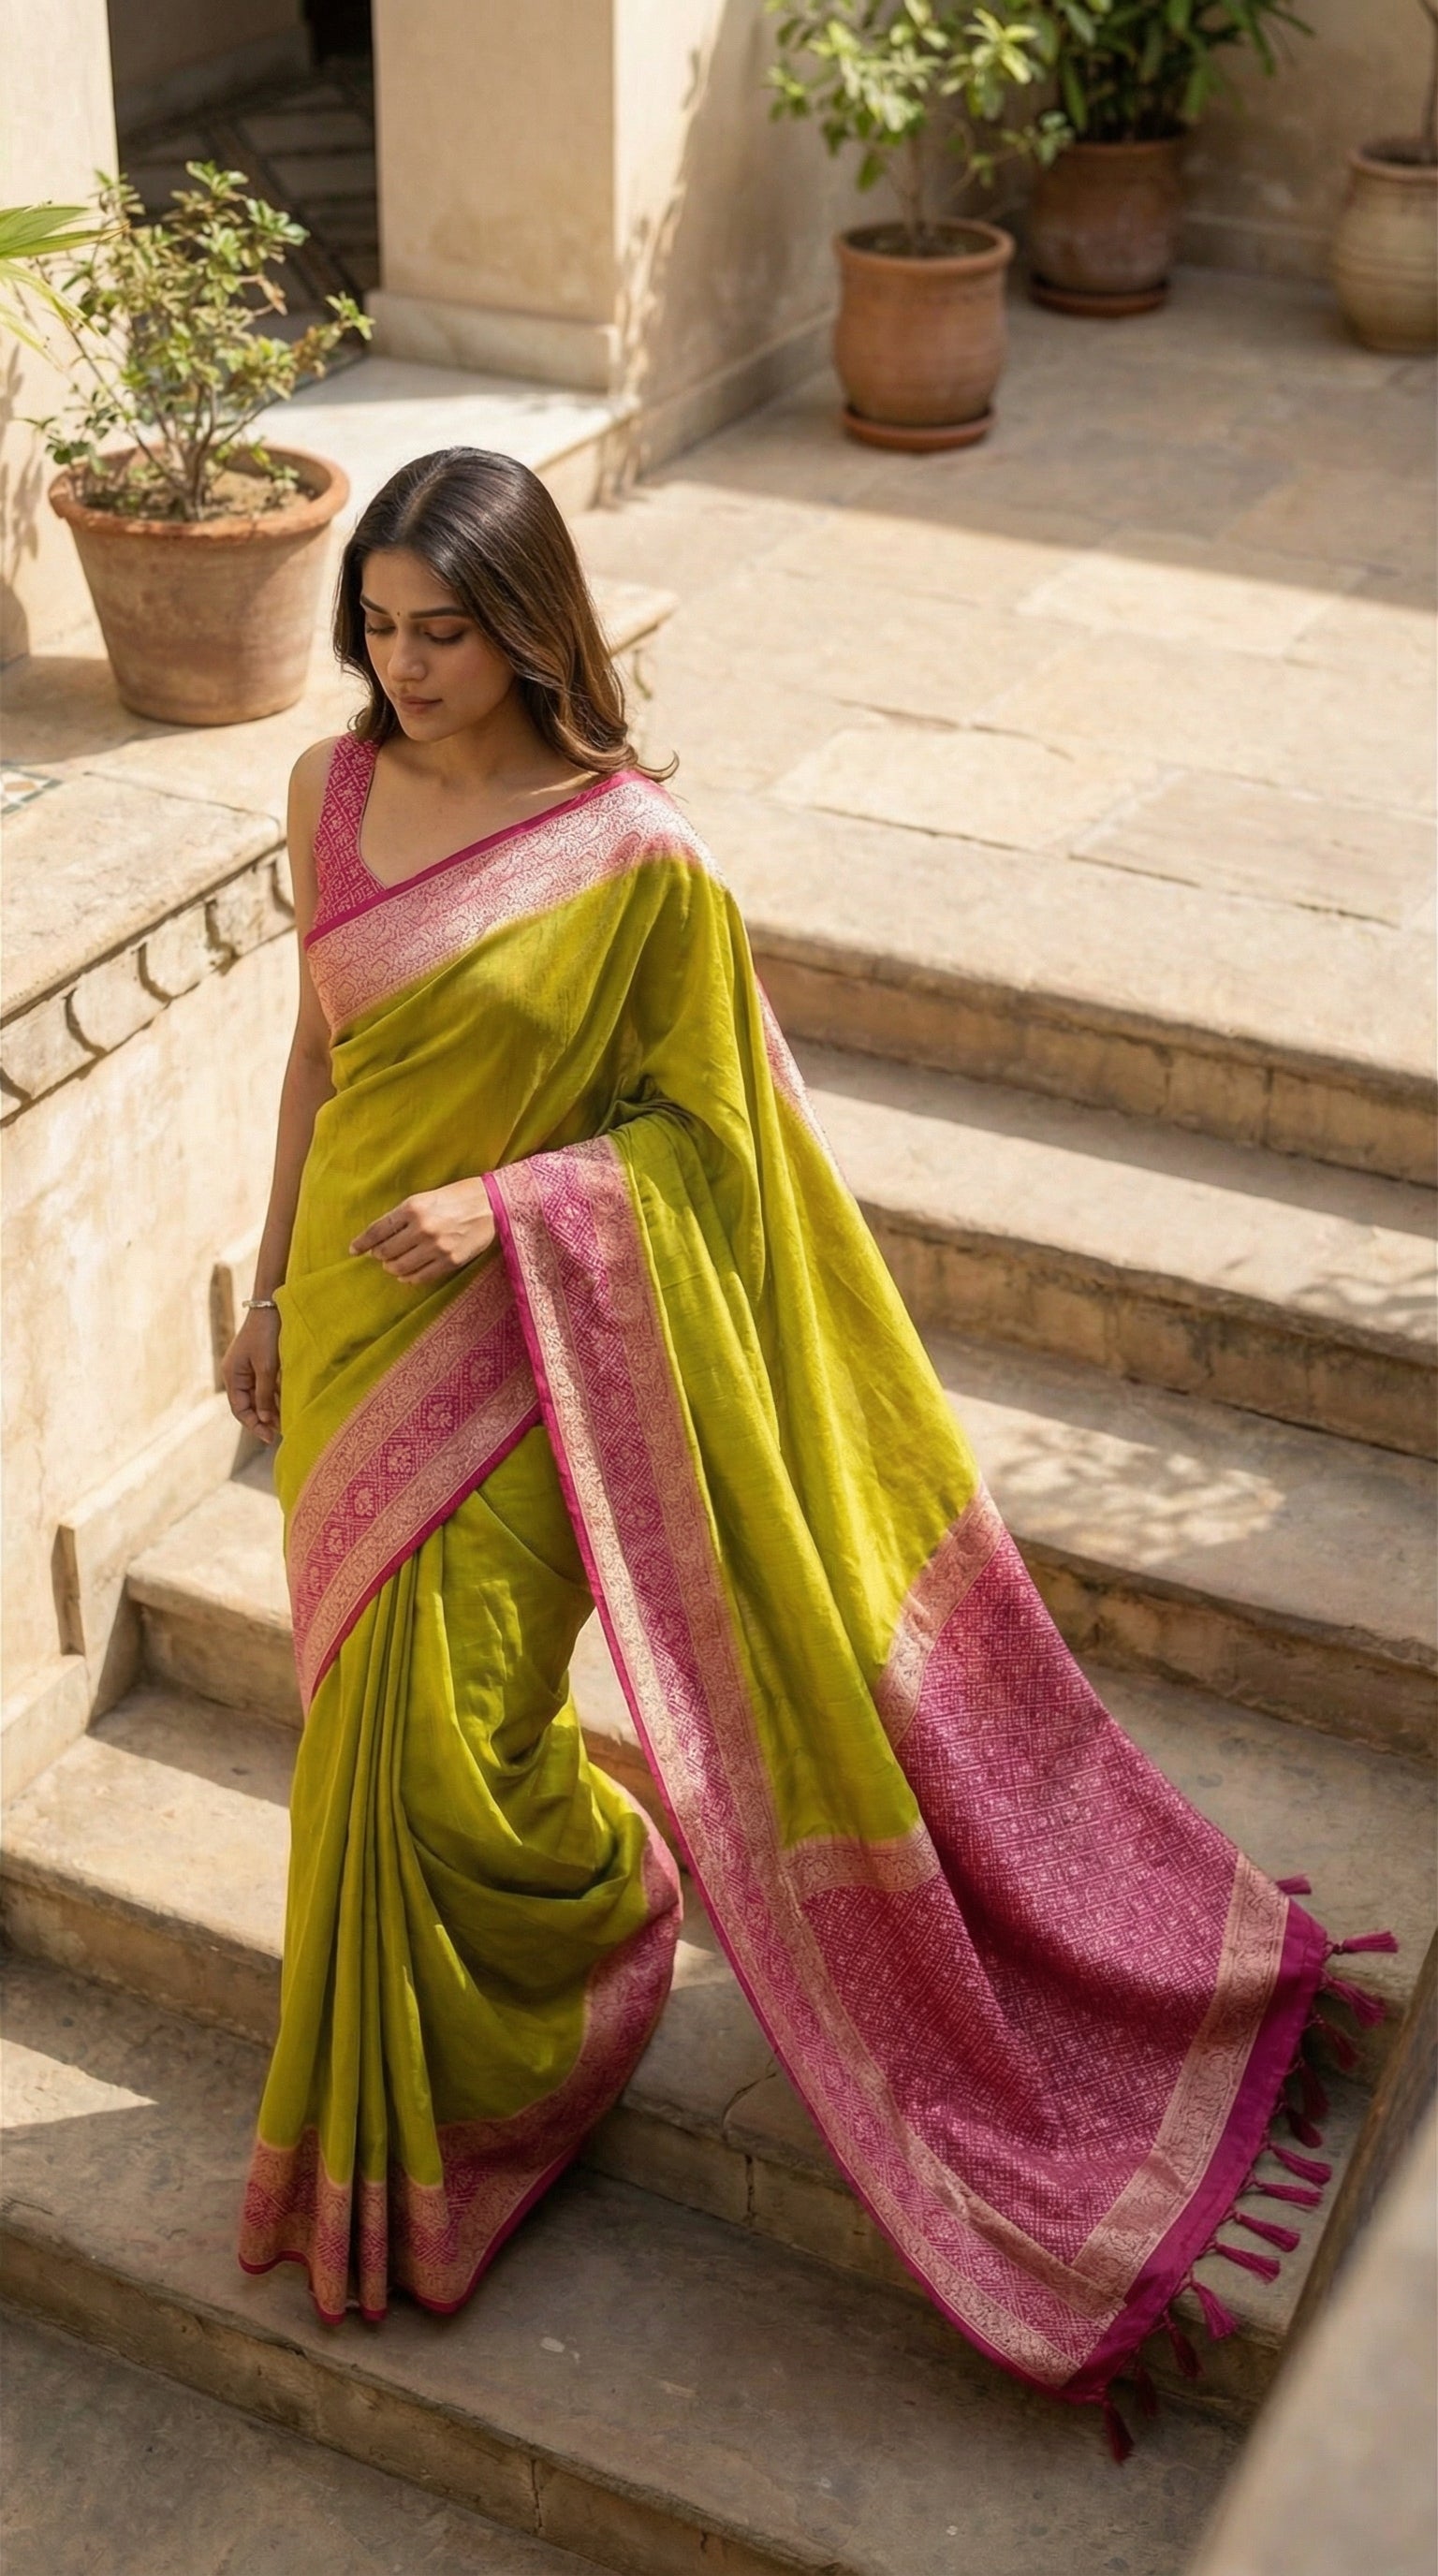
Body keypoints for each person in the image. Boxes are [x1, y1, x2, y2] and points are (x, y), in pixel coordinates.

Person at [224, 446, 1348, 2441]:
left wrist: (513, 1210)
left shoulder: (633, 855)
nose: (403, 667)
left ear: (530, 624)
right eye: (380, 626)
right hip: (345, 1331)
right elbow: (316, 1050)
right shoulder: (325, 791)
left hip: (512, 1349)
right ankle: (390, 2151)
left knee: (453, 1750)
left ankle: (594, 1936)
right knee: (357, 1739)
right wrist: (266, 1282)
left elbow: (710, 1147)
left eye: (445, 631)